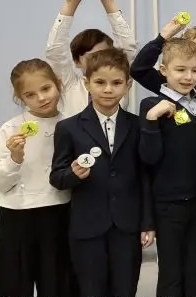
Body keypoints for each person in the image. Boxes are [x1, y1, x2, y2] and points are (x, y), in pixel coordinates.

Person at [49, 48, 154, 297]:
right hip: (87, 227)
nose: (108, 89)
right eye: (100, 82)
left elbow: (144, 177)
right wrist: (73, 174)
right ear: (87, 83)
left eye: (116, 83)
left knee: (125, 288)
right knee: (91, 289)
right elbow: (57, 177)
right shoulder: (68, 128)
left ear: (127, 85)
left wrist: (147, 223)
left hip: (127, 226)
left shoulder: (137, 125)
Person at [0, 59, 73, 297]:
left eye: (46, 88)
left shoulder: (72, 125)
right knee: (13, 283)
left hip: (59, 212)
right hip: (17, 215)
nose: (41, 98)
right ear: (20, 98)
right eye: (30, 95)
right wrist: (14, 158)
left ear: (58, 84)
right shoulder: (10, 129)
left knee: (58, 283)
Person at [138, 39, 196, 297]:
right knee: (171, 272)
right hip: (168, 204)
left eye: (194, 70)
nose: (188, 77)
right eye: (180, 70)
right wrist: (151, 120)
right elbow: (148, 158)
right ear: (164, 70)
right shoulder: (151, 105)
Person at [45, 0, 136, 116]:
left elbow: (128, 46)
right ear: (77, 61)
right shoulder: (70, 85)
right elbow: (55, 51)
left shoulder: (116, 82)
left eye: (104, 55)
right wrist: (70, 3)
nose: (99, 62)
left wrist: (108, 0)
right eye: (91, 57)